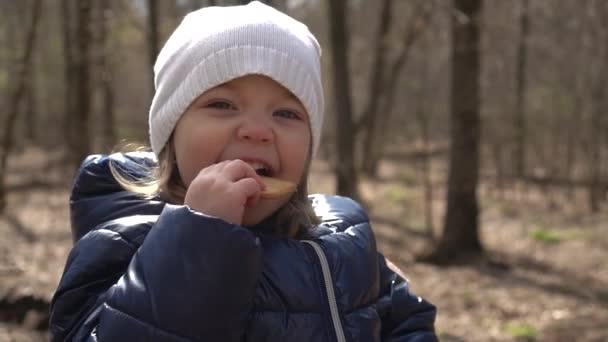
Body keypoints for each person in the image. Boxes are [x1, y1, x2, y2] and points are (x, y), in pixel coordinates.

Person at [49, 2, 437, 341]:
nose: (257, 130)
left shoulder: (345, 239)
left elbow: (407, 325)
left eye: (286, 113)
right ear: (170, 136)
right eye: (222, 104)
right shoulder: (121, 243)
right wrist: (197, 241)